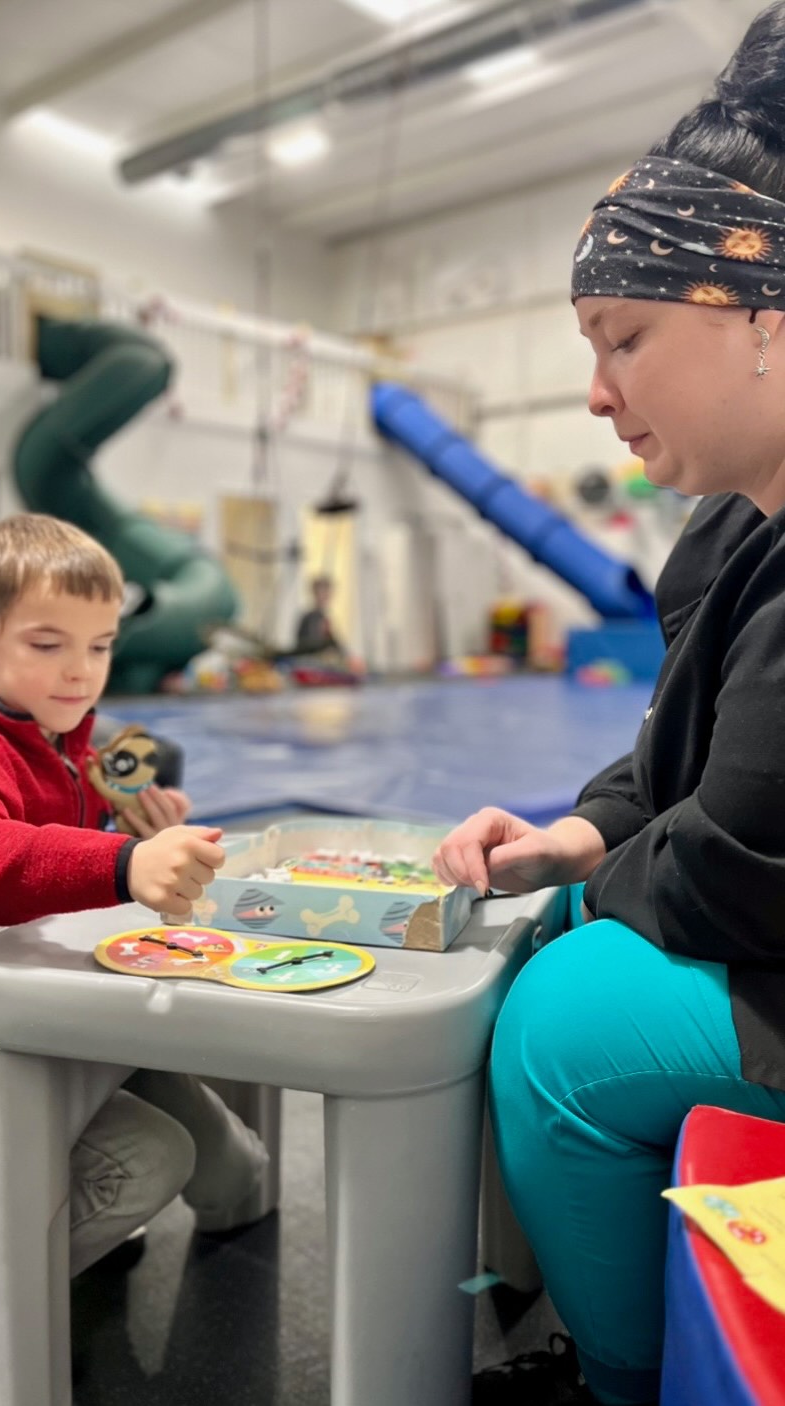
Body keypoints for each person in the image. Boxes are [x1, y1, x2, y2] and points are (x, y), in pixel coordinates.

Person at [433, 5, 785, 1402]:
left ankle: (628, 1375)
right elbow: (678, 770)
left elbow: (740, 870)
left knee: (570, 1016)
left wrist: (609, 886)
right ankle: (554, 1287)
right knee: (543, 921)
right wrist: (570, 841)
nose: (595, 393)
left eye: (623, 337)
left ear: (764, 310)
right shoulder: (729, 531)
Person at [0, 513, 268, 1277]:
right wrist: (123, 861)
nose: (80, 670)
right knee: (152, 1156)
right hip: (12, 1030)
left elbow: (126, 778)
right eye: (46, 645)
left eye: (102, 646)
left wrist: (143, 819)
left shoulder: (81, 736)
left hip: (58, 1006)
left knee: (231, 1167)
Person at [295, 574, 341, 653]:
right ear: (315, 593)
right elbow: (308, 645)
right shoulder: (310, 618)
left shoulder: (324, 618)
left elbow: (336, 645)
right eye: (322, 592)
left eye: (327, 592)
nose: (326, 596)